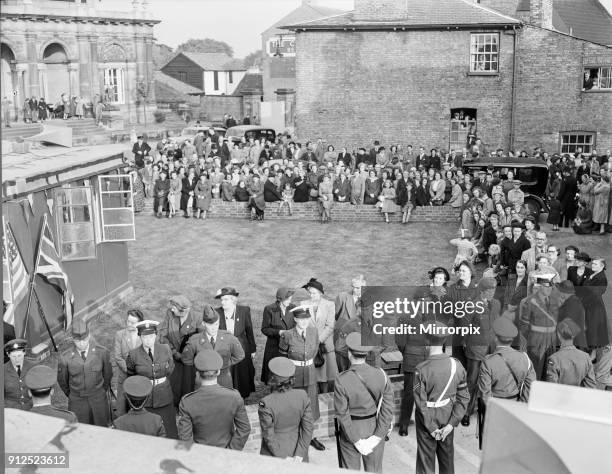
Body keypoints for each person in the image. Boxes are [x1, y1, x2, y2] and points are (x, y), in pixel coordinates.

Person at [413, 322, 469, 474]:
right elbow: (464, 398)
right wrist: (452, 423)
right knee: (447, 462)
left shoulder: (421, 369)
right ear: (444, 340)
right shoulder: (456, 365)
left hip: (427, 420)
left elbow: (420, 404)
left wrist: (431, 428)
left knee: (426, 463)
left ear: (426, 340)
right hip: (447, 416)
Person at [333, 333, 393, 473]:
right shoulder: (381, 375)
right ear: (366, 354)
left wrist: (356, 440)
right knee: (374, 470)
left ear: (349, 353)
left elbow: (342, 414)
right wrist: (378, 436)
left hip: (351, 430)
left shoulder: (342, 379)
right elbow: (387, 410)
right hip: (374, 427)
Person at [477, 318, 535, 449]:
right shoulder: (525, 359)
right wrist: (520, 406)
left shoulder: (488, 362)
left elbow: (485, 393)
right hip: (515, 407)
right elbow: (530, 387)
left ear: (495, 338)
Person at [178, 350, 251, 449]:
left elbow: (185, 438)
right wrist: (231, 450)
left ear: (198, 374)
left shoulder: (187, 402)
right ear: (219, 372)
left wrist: (196, 456)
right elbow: (244, 429)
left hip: (201, 456)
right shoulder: (234, 397)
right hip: (227, 453)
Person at [279, 306, 325, 451]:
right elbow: (282, 357)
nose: (304, 322)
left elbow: (315, 348)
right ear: (295, 319)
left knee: (311, 407)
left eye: (306, 319)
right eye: (301, 319)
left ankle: (310, 437)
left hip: (310, 374)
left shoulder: (313, 331)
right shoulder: (287, 335)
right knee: (294, 407)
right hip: (293, 375)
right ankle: (294, 437)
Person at [126, 320, 178, 439]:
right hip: (145, 399)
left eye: (151, 336)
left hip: (164, 397)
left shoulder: (165, 349)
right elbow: (131, 375)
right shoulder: (133, 355)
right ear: (140, 337)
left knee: (168, 429)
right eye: (145, 337)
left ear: (155, 335)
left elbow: (170, 369)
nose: (148, 340)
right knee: (148, 432)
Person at [461, 277, 499, 428]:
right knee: (472, 381)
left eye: (494, 289)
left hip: (491, 348)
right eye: (490, 290)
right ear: (482, 290)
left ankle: (486, 410)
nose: (492, 292)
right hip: (476, 348)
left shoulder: (496, 304)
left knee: (490, 381)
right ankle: (466, 413)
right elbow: (465, 327)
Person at [258, 357, 314, 461]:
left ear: (272, 378)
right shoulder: (302, 395)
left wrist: (283, 457)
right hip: (298, 448)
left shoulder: (266, 402)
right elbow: (308, 428)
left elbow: (268, 434)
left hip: (275, 453)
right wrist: (300, 454)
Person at [58, 320, 112, 426]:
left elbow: (107, 375)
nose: (82, 344)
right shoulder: (65, 357)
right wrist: (73, 395)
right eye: (78, 341)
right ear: (72, 339)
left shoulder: (102, 353)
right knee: (79, 431)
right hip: (77, 402)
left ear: (89, 336)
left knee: (101, 430)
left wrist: (100, 391)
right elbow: (62, 381)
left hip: (98, 400)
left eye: (84, 340)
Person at [181, 305, 244, 389]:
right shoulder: (194, 341)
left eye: (216, 324)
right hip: (203, 380)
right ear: (203, 323)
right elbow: (186, 359)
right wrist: (201, 366)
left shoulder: (229, 338)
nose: (214, 328)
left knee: (225, 400)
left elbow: (239, 355)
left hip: (223, 377)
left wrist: (224, 363)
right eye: (210, 325)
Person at [158, 295, 202, 407]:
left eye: (174, 308)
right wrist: (175, 353)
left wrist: (187, 354)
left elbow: (201, 340)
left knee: (188, 384)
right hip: (173, 358)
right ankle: (175, 405)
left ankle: (188, 406)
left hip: (190, 360)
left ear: (183, 311)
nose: (171, 309)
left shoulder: (196, 317)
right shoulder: (169, 314)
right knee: (174, 385)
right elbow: (163, 336)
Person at [215, 287, 256, 398]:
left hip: (242, 347)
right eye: (221, 300)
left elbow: (249, 330)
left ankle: (242, 394)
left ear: (233, 300)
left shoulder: (244, 311)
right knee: (227, 371)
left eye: (226, 299)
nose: (223, 302)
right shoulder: (217, 312)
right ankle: (227, 394)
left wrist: (252, 349)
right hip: (224, 348)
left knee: (242, 371)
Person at [518, 274, 560, 379]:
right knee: (536, 369)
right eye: (546, 286)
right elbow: (524, 325)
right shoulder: (529, 301)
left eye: (551, 286)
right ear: (540, 287)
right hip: (536, 340)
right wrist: (533, 338)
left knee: (549, 369)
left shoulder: (555, 301)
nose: (549, 289)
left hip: (551, 340)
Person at [301, 278, 337, 394]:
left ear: (321, 293)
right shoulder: (304, 304)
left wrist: (318, 340)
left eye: (314, 293)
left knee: (325, 378)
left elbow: (330, 326)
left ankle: (324, 399)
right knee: (311, 378)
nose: (311, 295)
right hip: (309, 345)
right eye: (310, 293)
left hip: (325, 346)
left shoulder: (329, 305)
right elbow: (303, 324)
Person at [546, 319, 596, 388]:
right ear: (574, 336)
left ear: (558, 335)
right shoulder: (586, 357)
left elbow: (551, 388)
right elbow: (591, 387)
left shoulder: (554, 359)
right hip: (577, 397)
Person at [261, 288, 296, 384]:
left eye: (291, 299)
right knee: (275, 372)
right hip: (274, 347)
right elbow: (265, 329)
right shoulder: (270, 309)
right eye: (288, 299)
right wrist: (279, 332)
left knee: (287, 371)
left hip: (288, 346)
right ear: (280, 299)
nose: (290, 301)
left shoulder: (293, 307)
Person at [112, 309, 143, 416]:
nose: (129, 324)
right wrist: (129, 370)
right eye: (128, 321)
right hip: (124, 375)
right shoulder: (120, 335)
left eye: (133, 322)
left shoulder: (144, 335)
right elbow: (118, 357)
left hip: (140, 376)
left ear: (139, 322)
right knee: (122, 403)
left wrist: (139, 370)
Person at [583, 257, 609, 351]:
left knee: (593, 330)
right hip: (589, 306)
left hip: (594, 307)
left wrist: (583, 303)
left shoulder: (601, 278)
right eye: (592, 263)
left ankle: (593, 354)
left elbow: (595, 295)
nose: (592, 265)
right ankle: (589, 352)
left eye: (595, 264)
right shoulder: (592, 274)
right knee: (589, 329)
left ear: (602, 266)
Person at [4, 339, 33, 410]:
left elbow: (40, 391)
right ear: (8, 354)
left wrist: (31, 405)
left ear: (24, 352)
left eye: (19, 356)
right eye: (13, 356)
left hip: (32, 408)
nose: (17, 359)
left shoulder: (34, 367)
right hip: (11, 410)